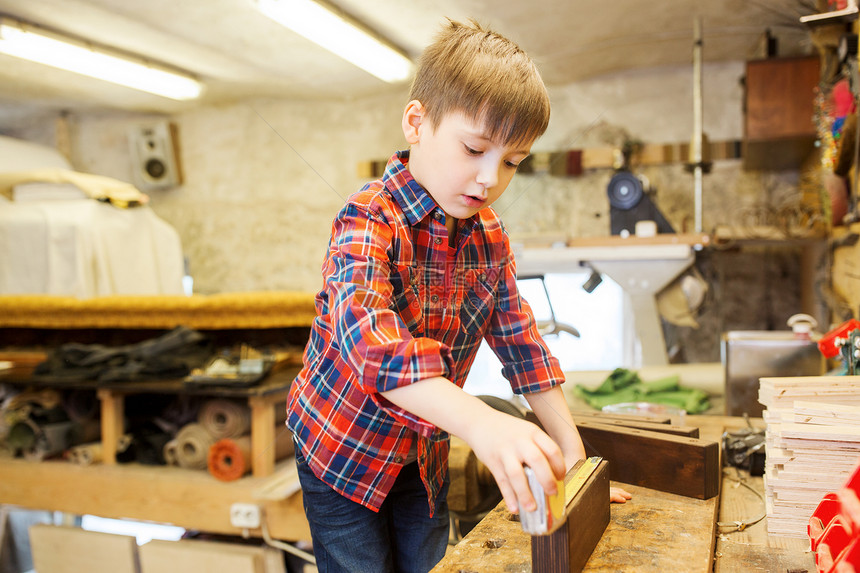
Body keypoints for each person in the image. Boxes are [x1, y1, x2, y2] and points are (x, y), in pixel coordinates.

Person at [287, 19, 631, 573]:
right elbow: (376, 347)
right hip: (342, 456)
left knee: (431, 563)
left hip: (422, 457)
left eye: (513, 162)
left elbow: (522, 345)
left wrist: (575, 459)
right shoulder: (367, 217)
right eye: (474, 149)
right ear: (417, 122)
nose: (489, 179)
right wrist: (483, 423)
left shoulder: (488, 235)